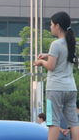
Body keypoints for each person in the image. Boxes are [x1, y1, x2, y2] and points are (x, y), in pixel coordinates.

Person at [34, 11, 79, 140]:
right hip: (70, 88)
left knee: (52, 121)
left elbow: (51, 66)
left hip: (54, 89)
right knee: (74, 122)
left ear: (58, 26)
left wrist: (41, 61)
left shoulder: (55, 44)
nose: (50, 27)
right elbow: (65, 58)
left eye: (52, 24)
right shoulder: (71, 43)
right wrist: (48, 55)